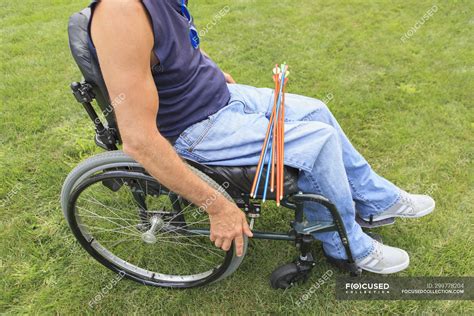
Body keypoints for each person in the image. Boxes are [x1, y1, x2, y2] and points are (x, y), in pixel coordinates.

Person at [89, 0, 435, 274]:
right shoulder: (121, 13)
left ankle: (375, 201)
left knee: (315, 111)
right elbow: (139, 139)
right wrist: (217, 206)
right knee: (318, 142)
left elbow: (177, 44)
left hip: (219, 98)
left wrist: (206, 69)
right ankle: (346, 247)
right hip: (194, 130)